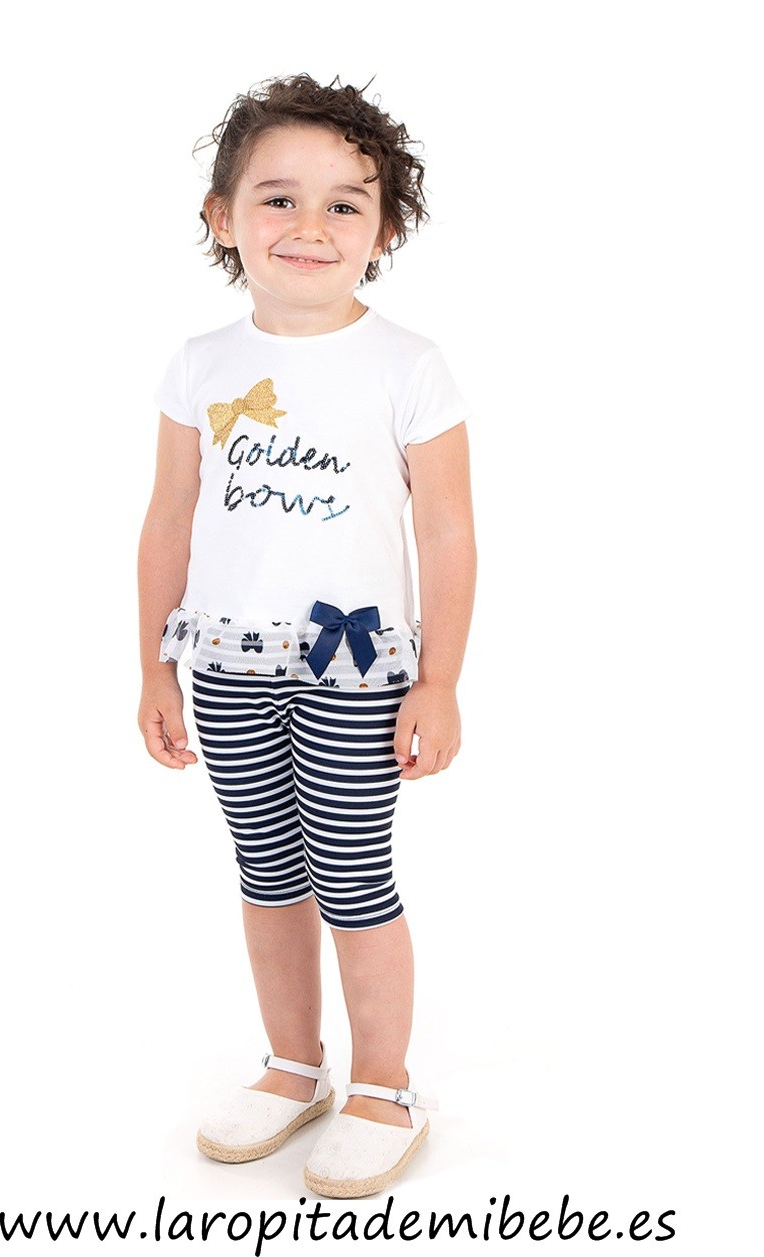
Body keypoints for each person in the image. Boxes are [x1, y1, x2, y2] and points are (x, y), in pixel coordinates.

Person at [137, 73, 476, 1199]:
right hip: (226, 665)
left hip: (355, 668)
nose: (310, 226)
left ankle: (385, 1084)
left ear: (386, 231)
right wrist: (153, 667)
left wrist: (440, 681)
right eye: (278, 198)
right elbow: (168, 518)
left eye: (345, 204)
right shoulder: (200, 364)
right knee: (268, 870)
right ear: (222, 217)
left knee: (354, 875)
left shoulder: (408, 366)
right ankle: (294, 1064)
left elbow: (448, 530)